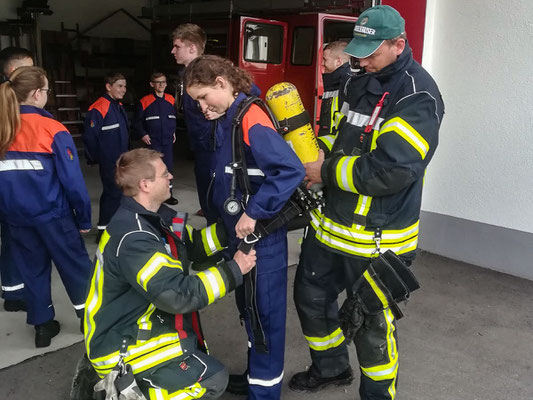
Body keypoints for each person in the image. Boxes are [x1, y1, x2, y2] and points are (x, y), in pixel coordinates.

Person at [289, 5, 444, 400]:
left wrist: (324, 172)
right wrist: (311, 156)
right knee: (311, 299)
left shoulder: (417, 97)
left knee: (372, 327)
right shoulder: (360, 81)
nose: (362, 61)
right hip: (330, 229)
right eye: (359, 52)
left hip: (378, 241)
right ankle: (331, 368)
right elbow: (342, 139)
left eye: (372, 53)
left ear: (399, 44)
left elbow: (388, 172)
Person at [82, 148, 257, 399]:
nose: (171, 176)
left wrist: (231, 228)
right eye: (164, 174)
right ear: (145, 184)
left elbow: (192, 244)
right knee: (212, 378)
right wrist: (234, 270)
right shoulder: (134, 237)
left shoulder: (155, 217)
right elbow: (177, 295)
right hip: (120, 344)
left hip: (134, 324)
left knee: (196, 356)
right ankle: (127, 392)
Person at [185, 55, 305, 400]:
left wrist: (254, 212)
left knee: (264, 314)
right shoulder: (229, 118)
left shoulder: (249, 117)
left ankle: (264, 392)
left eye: (204, 97)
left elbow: (289, 170)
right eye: (196, 101)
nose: (201, 107)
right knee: (249, 309)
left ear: (222, 83)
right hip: (241, 238)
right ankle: (255, 376)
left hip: (260, 239)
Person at [0, 66, 93, 347]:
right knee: (76, 267)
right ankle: (89, 319)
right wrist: (84, 218)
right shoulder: (52, 129)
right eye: (47, 91)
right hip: (54, 216)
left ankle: (43, 328)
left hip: (15, 218)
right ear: (38, 93)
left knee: (33, 270)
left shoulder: (4, 127)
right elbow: (73, 182)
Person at [172, 23, 222, 224]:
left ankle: (223, 245)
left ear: (192, 48)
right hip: (200, 147)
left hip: (214, 148)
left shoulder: (208, 70)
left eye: (177, 46)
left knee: (216, 199)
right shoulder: (186, 74)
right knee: (206, 197)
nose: (172, 51)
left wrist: (222, 113)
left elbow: (251, 91)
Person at [0, 46, 34, 312]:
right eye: (30, 67)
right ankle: (13, 293)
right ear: (13, 71)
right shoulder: (7, 100)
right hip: (10, 182)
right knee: (14, 236)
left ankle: (12, 292)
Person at [83, 72, 129, 243]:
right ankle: (103, 230)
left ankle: (115, 226)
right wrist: (95, 158)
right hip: (109, 160)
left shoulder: (118, 105)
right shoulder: (99, 107)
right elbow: (90, 137)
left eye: (124, 86)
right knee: (112, 193)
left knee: (119, 193)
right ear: (108, 87)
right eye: (119, 86)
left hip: (121, 159)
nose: (123, 90)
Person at [134, 71, 179, 205]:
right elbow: (137, 121)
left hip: (167, 140)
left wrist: (173, 131)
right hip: (153, 141)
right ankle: (153, 194)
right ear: (152, 84)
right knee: (153, 168)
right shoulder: (145, 101)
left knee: (168, 168)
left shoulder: (171, 99)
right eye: (158, 82)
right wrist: (143, 134)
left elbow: (172, 117)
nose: (161, 85)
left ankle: (168, 194)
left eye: (163, 82)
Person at [316, 40, 351, 138]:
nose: (322, 63)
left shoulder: (348, 83)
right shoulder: (332, 82)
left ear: (338, 61)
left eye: (325, 59)